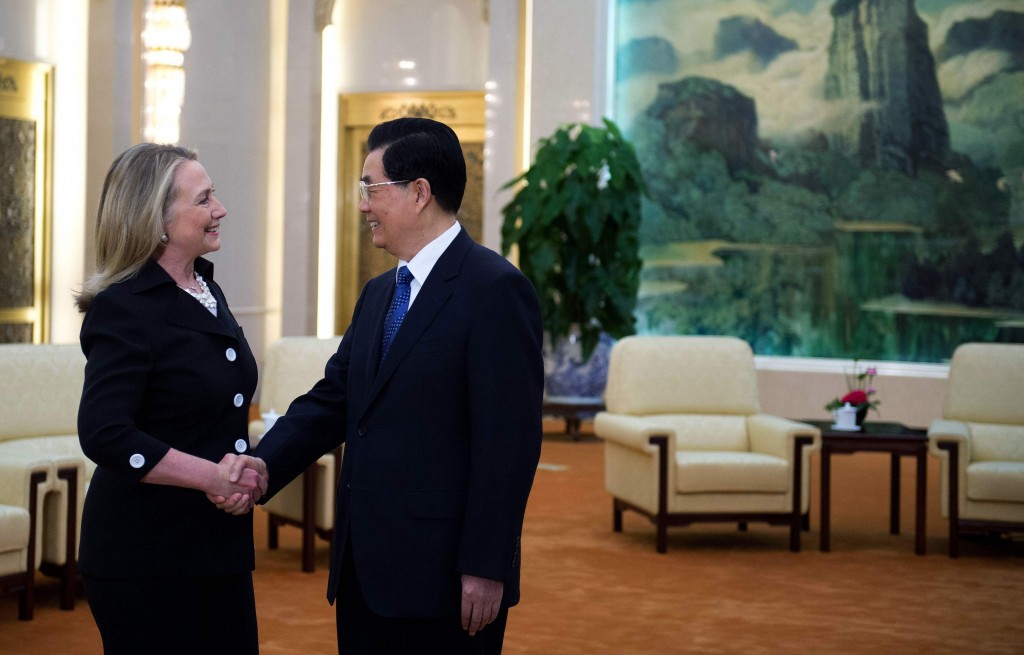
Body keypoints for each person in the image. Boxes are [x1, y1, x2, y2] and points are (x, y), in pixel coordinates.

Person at [234, 117, 544, 653]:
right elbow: (334, 398)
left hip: (446, 578)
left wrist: (486, 565)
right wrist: (264, 466)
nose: (362, 205)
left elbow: (508, 446)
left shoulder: (495, 290)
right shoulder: (380, 292)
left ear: (419, 193)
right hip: (362, 568)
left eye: (370, 188)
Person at [75, 143, 268, 654]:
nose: (220, 209)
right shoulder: (123, 307)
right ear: (157, 219)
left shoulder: (205, 286)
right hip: (145, 555)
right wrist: (212, 477)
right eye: (204, 199)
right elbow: (105, 431)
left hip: (217, 546)